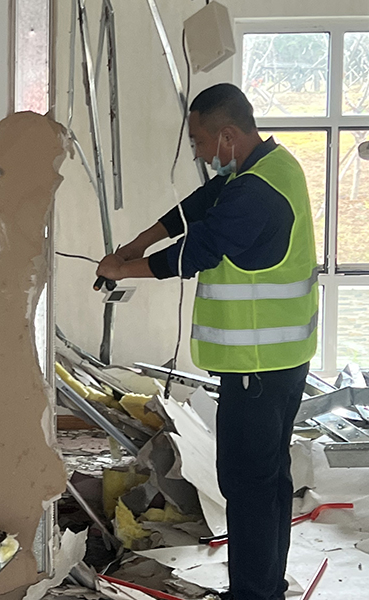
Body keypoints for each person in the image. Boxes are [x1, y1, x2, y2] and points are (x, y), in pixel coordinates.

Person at [96, 83, 317, 600]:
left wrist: (122, 269)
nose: (197, 152)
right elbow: (197, 205)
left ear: (228, 135)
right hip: (279, 362)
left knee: (248, 486)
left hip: (257, 367)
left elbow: (196, 251)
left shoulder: (254, 193)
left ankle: (254, 594)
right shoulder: (268, 167)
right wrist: (134, 244)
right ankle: (265, 586)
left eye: (199, 141)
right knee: (268, 480)